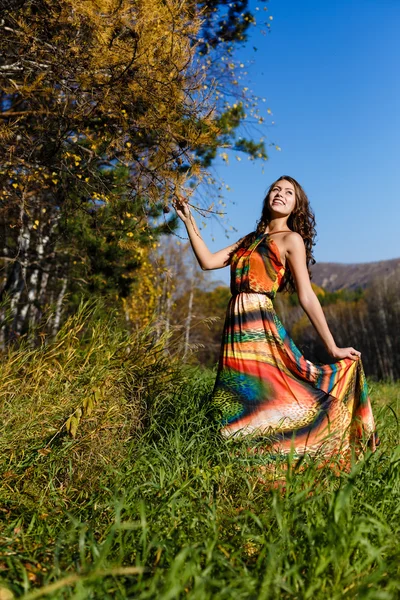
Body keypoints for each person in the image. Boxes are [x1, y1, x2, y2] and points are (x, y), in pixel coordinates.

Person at [173, 175, 378, 460]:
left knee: (270, 393)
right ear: (267, 197)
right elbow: (208, 262)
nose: (280, 194)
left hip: (261, 325)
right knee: (234, 396)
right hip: (235, 328)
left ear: (296, 207)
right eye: (276, 189)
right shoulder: (248, 241)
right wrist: (189, 221)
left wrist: (332, 346)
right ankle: (237, 461)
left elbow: (306, 295)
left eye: (289, 193)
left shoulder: (291, 239)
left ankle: (299, 447)